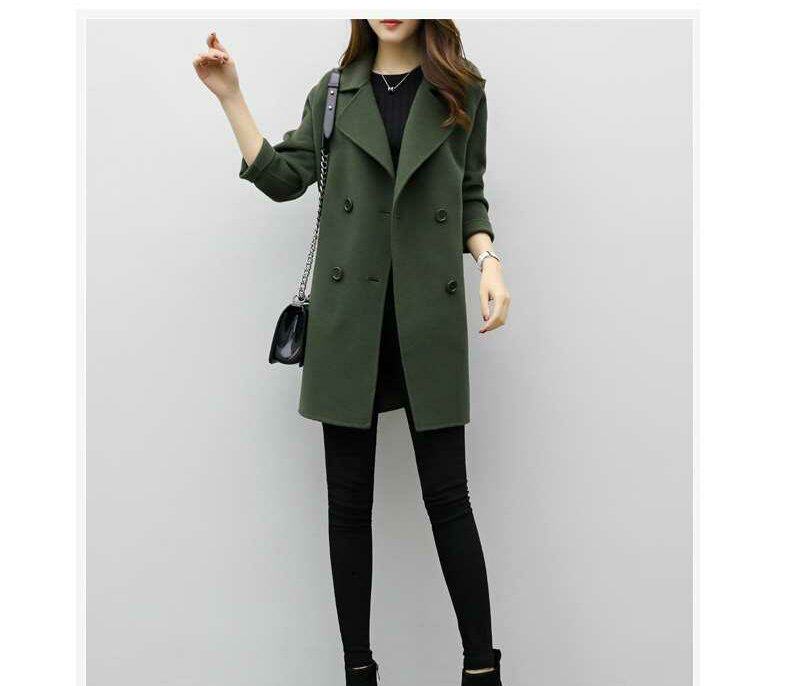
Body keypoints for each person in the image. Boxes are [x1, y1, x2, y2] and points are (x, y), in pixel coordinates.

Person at [194, 18, 511, 685]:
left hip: (427, 318)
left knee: (449, 498)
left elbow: (468, 192)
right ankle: (358, 671)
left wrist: (489, 263)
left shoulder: (462, 89)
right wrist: (232, 97)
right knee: (348, 504)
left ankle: (482, 669)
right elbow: (284, 178)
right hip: (349, 324)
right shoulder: (336, 91)